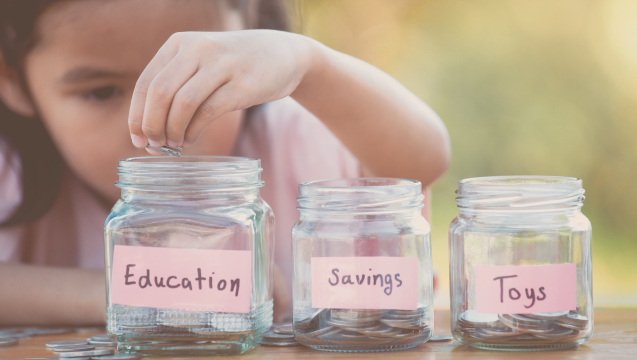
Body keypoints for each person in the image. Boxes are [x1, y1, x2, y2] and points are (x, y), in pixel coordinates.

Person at [0, 0, 450, 325]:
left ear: (249, 22)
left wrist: (308, 63)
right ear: (12, 78)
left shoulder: (299, 134)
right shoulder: (13, 167)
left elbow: (423, 161)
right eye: (101, 91)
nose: (157, 124)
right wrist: (141, 293)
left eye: (198, 84)